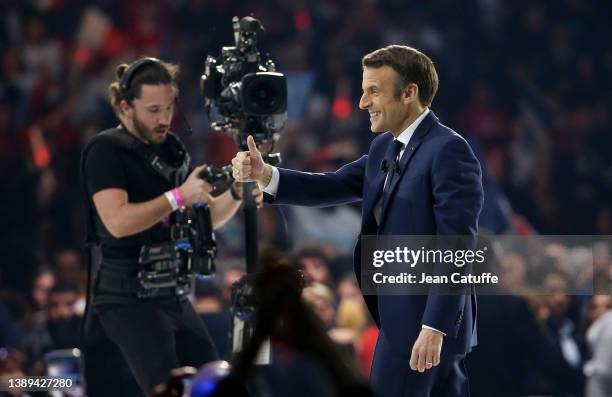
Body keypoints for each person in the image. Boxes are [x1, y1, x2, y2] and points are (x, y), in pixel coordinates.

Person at [232, 45, 483, 397]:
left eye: (374, 91)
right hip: (403, 320)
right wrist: (266, 174)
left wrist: (434, 326)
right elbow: (335, 185)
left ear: (409, 93)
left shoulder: (448, 150)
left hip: (421, 324)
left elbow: (457, 246)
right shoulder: (385, 147)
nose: (362, 102)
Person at [80, 57, 262, 396]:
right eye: (152, 110)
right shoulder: (105, 150)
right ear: (125, 106)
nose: (163, 119)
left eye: (167, 108)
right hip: (128, 298)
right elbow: (117, 222)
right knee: (172, 389)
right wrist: (178, 196)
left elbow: (207, 218)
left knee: (216, 386)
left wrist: (237, 191)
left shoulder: (174, 150)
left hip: (174, 293)